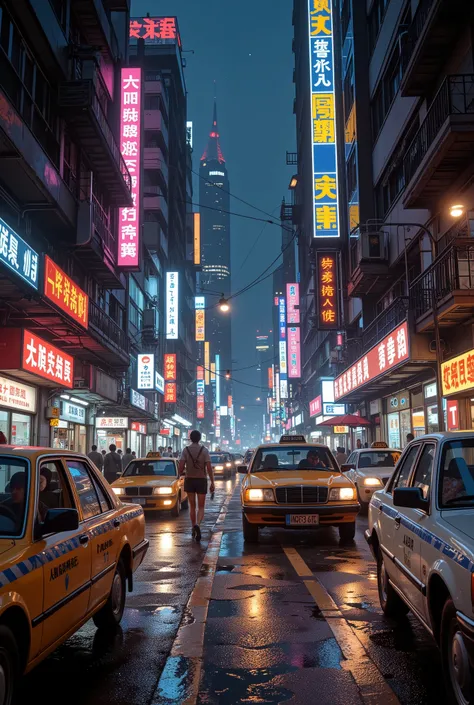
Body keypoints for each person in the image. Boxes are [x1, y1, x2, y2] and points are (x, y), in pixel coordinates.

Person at [178, 430, 214, 541]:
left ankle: (193, 527)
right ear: (199, 438)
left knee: (192, 506)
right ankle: (198, 524)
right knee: (201, 507)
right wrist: (212, 482)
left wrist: (183, 473)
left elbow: (180, 467)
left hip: (189, 480)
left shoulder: (185, 450)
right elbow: (209, 468)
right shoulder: (205, 450)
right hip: (201, 480)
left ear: (190, 438)